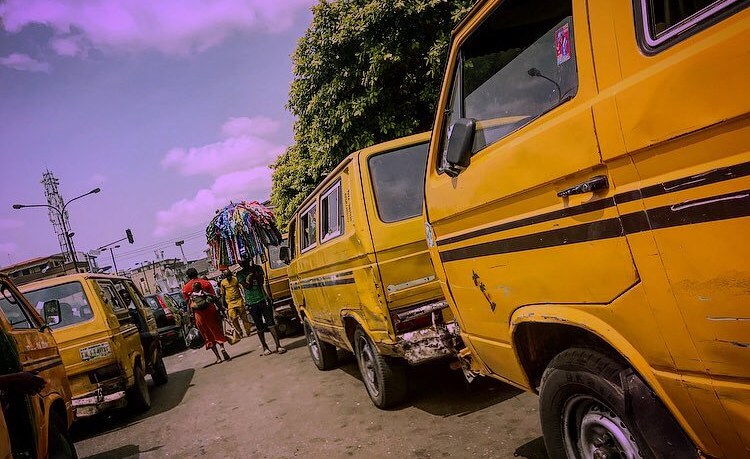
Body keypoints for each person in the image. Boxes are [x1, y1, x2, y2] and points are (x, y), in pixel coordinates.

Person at [237, 259, 286, 356]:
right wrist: (250, 277)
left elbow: (260, 282)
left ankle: (278, 345)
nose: (244, 263)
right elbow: (247, 286)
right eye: (242, 262)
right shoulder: (239, 274)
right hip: (251, 302)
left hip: (263, 298)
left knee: (271, 323)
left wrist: (255, 273)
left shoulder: (258, 268)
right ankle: (265, 347)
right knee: (259, 326)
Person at [182, 268, 230, 364]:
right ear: (197, 273)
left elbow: (188, 303)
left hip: (199, 314)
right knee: (216, 330)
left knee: (207, 334)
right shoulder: (206, 283)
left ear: (188, 276)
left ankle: (218, 357)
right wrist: (222, 309)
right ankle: (222, 348)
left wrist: (190, 319)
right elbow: (213, 297)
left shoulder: (186, 288)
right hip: (210, 310)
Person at [219, 269, 253, 338]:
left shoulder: (235, 280)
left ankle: (248, 331)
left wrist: (245, 298)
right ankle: (239, 331)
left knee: (244, 317)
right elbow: (222, 294)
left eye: (229, 275)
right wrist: (223, 304)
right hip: (230, 303)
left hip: (239, 300)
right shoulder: (223, 283)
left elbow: (241, 288)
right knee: (233, 318)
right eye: (227, 276)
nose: (228, 277)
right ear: (225, 276)